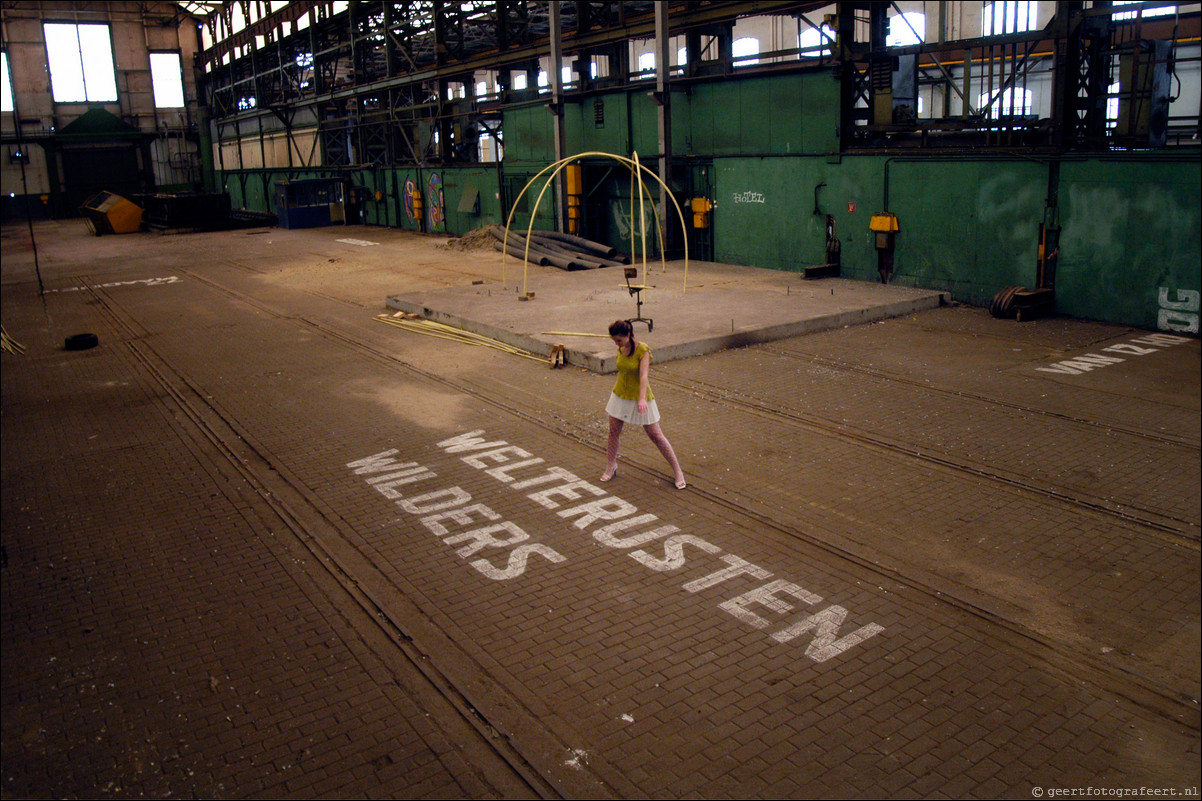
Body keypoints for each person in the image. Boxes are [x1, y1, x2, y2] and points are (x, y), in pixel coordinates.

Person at [601, 319, 686, 489]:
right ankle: (611, 465)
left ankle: (678, 471)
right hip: (620, 394)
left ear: (628, 335)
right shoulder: (621, 347)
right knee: (613, 431)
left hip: (640, 395)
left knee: (655, 434)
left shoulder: (642, 350)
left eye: (619, 340)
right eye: (614, 340)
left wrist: (641, 399)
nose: (616, 344)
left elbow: (643, 376)